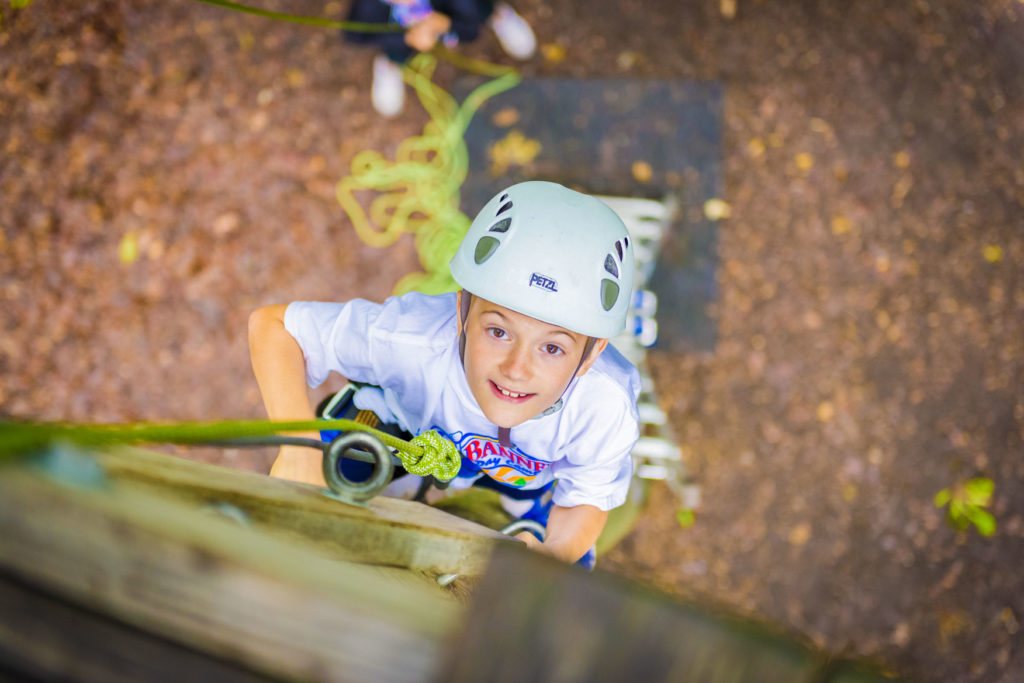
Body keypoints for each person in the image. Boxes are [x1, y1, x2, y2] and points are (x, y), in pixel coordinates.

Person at [248, 181, 641, 566]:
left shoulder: (604, 405)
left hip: (522, 480)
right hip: (400, 431)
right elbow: (276, 328)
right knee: (323, 485)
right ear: (462, 313)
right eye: (498, 331)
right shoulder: (411, 338)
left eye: (552, 348)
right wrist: (299, 450)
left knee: (552, 567)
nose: (516, 370)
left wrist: (553, 554)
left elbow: (585, 498)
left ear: (591, 357)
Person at [343, 0, 536, 116]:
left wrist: (446, 24)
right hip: (402, 23)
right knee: (392, 40)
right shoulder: (371, 5)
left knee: (476, 9)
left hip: (448, 8)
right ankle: (392, 62)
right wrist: (406, 37)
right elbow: (355, 34)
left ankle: (496, 15)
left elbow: (469, 31)